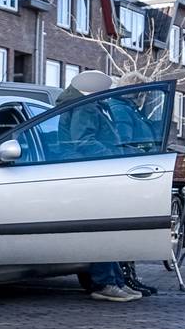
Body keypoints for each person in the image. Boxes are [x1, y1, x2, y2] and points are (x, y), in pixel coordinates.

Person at [55, 71, 145, 303]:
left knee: (107, 228)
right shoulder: (86, 107)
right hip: (92, 171)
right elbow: (83, 141)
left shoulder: (89, 105)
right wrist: (116, 155)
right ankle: (105, 282)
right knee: (103, 228)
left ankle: (113, 280)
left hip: (93, 170)